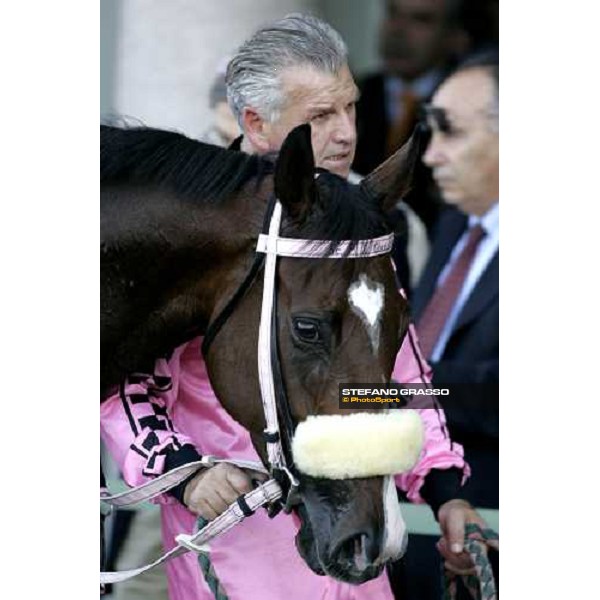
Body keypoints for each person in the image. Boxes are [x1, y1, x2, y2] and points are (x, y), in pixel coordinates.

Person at [101, 14, 489, 600]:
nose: (346, 135)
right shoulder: (189, 231)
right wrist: (185, 474)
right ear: (256, 123)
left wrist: (441, 489)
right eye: (320, 117)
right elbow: (121, 383)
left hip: (352, 544)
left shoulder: (355, 224)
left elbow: (391, 383)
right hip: (234, 548)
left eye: (350, 109)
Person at [393, 50, 499, 600]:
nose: (430, 156)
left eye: (450, 132)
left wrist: (378, 391)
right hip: (408, 528)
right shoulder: (456, 221)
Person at [353, 0, 470, 239]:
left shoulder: (468, 109)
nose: (398, 30)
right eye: (393, 13)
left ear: (454, 37)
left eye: (421, 20)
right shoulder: (352, 95)